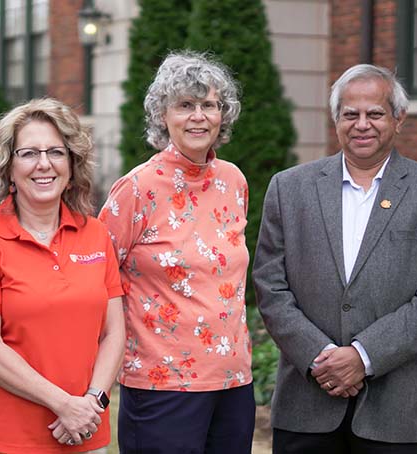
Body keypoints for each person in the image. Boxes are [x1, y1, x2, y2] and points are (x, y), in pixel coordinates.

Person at [253, 64, 417, 453]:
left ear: (398, 119)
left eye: (375, 113)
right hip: (306, 407)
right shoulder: (289, 188)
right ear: (336, 119)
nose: (362, 124)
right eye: (350, 114)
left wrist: (362, 356)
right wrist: (323, 358)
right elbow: (270, 284)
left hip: (398, 414)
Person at [98, 51, 255, 453]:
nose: (199, 116)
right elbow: (96, 278)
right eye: (185, 105)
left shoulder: (233, 181)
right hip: (161, 385)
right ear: (162, 116)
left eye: (209, 105)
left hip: (233, 382)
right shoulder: (137, 189)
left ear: (224, 114)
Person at [0, 97, 125, 453]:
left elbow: (113, 333)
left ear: (72, 163)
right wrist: (64, 405)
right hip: (6, 440)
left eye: (56, 152)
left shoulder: (96, 234)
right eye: (29, 153)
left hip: (86, 435)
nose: (44, 164)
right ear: (9, 167)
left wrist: (92, 402)